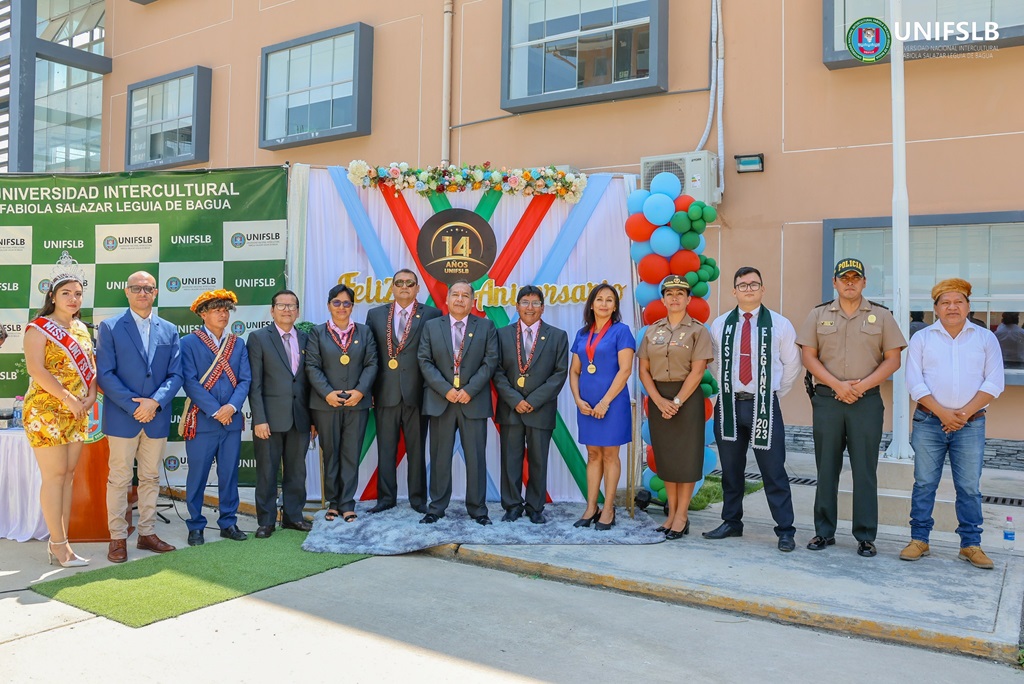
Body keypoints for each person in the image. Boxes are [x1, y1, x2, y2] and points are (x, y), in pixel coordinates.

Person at [797, 258, 906, 557]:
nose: (849, 282)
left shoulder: (882, 317)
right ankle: (824, 531)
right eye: (844, 278)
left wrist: (861, 386)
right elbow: (809, 357)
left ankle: (865, 535)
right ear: (834, 282)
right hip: (828, 401)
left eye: (855, 278)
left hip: (866, 402)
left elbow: (893, 360)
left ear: (864, 282)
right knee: (827, 467)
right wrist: (838, 385)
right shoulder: (818, 314)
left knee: (865, 470)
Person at [900, 278, 1004, 569]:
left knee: (969, 487)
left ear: (968, 306)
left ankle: (970, 545)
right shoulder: (922, 338)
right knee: (924, 484)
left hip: (971, 425)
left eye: (958, 301)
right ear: (935, 309)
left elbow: (994, 382)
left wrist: (962, 415)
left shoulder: (986, 338)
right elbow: (914, 383)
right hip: (929, 421)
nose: (952, 307)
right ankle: (919, 539)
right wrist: (945, 414)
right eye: (945, 302)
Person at [705, 267, 801, 551]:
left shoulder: (781, 325)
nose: (748, 289)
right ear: (734, 291)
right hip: (729, 405)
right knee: (731, 470)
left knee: (773, 470)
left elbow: (791, 366)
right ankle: (731, 521)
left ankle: (785, 529)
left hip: (763, 406)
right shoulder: (720, 324)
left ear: (762, 289)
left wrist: (770, 393)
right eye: (742, 285)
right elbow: (715, 364)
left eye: (753, 284)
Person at [95, 271, 182, 563]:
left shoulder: (169, 329)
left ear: (155, 292)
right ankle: (117, 537)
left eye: (147, 288)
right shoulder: (109, 327)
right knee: (119, 479)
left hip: (156, 417)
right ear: (126, 291)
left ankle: (146, 534)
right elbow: (105, 374)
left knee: (150, 477)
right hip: (123, 416)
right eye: (136, 288)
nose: (142, 292)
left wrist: (154, 402)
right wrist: (135, 406)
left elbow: (176, 374)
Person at [22, 252, 97, 567]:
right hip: (47, 410)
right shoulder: (38, 328)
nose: (73, 298)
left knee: (67, 476)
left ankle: (62, 541)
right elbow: (36, 370)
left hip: (77, 411)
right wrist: (67, 397)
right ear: (52, 296)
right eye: (66, 293)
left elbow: (91, 367)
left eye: (78, 293)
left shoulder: (81, 328)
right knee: (54, 477)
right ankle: (58, 545)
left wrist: (90, 396)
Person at [417, 280, 498, 525]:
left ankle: (478, 509)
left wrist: (469, 390)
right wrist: (446, 390)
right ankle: (437, 507)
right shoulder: (431, 326)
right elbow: (424, 360)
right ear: (447, 299)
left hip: (472, 401)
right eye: (455, 294)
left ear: (473, 302)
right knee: (440, 456)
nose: (460, 299)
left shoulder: (486, 326)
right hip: (441, 401)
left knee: (476, 457)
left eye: (465, 295)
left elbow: (490, 361)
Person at [638, 276, 713, 540]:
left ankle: (682, 515)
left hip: (687, 399)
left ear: (689, 299)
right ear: (662, 299)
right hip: (659, 399)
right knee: (667, 458)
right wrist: (658, 400)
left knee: (687, 458)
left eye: (680, 293)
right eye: (669, 293)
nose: (674, 298)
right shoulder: (651, 331)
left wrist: (678, 401)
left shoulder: (698, 331)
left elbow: (698, 370)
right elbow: (643, 370)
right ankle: (670, 515)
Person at [364, 269, 442, 514]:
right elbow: (370, 355)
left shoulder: (432, 315)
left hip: (417, 394)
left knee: (417, 450)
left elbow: (436, 356)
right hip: (385, 393)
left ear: (418, 288)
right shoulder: (375, 315)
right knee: (385, 449)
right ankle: (386, 498)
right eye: (400, 283)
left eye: (410, 283)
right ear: (393, 287)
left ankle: (418, 500)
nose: (405, 287)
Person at [179, 289, 252, 546]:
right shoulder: (188, 343)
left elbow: (245, 380)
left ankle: (228, 522)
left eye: (225, 310)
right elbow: (189, 381)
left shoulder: (238, 343)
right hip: (202, 420)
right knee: (197, 474)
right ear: (203, 314)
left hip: (231, 421)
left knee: (229, 474)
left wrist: (231, 407)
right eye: (216, 310)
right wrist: (215, 409)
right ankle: (196, 525)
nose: (222, 314)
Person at [493, 285, 569, 524]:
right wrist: (516, 400)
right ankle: (512, 506)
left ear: (543, 308)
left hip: (541, 409)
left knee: (538, 460)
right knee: (510, 459)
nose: (530, 307)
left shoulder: (557, 336)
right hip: (511, 408)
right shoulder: (503, 334)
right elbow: (496, 371)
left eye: (535, 303)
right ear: (516, 306)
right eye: (525, 302)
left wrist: (532, 401)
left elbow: (559, 374)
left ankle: (535, 507)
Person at [306, 284, 378, 524]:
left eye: (346, 303)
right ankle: (333, 502)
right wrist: (327, 393)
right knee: (332, 454)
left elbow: (372, 364)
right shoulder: (317, 333)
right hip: (326, 404)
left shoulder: (364, 332)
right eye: (336, 302)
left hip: (357, 404)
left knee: (350, 454)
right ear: (329, 305)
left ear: (352, 306)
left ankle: (347, 503)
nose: (341, 307)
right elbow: (312, 366)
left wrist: (359, 391)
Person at [247, 289, 315, 538]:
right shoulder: (258, 338)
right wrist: (259, 418)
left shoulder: (307, 338)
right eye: (282, 305)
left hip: (300, 418)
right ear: (272, 309)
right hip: (270, 419)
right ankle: (265, 521)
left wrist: (313, 419)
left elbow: (309, 382)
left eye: (292, 306)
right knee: (267, 470)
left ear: (297, 311)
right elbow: (254, 383)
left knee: (297, 471)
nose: (287, 310)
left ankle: (293, 517)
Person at [568, 283, 635, 530]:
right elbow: (574, 371)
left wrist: (605, 402)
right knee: (593, 454)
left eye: (609, 300)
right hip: (586, 406)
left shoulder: (621, 331)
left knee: (610, 454)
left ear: (615, 306)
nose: (604, 304)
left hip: (612, 405)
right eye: (599, 299)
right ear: (592, 304)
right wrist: (577, 399)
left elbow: (625, 370)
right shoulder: (582, 334)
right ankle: (591, 506)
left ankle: (608, 508)